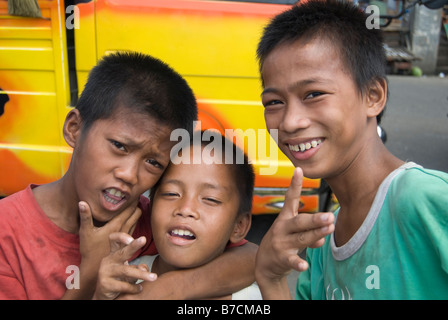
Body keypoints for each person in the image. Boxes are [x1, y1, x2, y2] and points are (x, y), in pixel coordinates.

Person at [0, 51, 257, 299]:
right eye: (119, 146)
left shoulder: (149, 221)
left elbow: (252, 257)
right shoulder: (7, 232)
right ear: (74, 128)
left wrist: (163, 291)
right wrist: (90, 270)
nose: (129, 175)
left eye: (153, 162)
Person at [254, 0, 448, 300]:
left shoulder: (425, 201)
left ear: (373, 96)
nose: (290, 122)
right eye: (274, 102)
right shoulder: (323, 244)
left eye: (314, 94)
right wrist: (270, 278)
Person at [93, 131, 262, 300]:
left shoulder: (253, 298)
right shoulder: (123, 278)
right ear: (150, 206)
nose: (186, 208)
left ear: (238, 225)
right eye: (171, 194)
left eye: (210, 199)